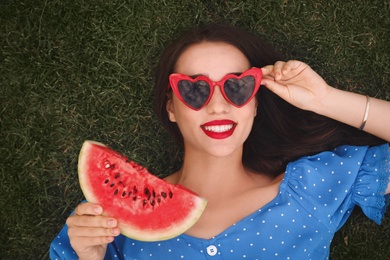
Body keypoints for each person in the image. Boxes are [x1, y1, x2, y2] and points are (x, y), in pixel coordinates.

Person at [50, 24, 390, 260]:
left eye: (237, 87)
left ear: (256, 102)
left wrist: (324, 99)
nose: (218, 105)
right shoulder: (109, 220)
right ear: (171, 106)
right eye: (194, 89)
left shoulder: (311, 189)